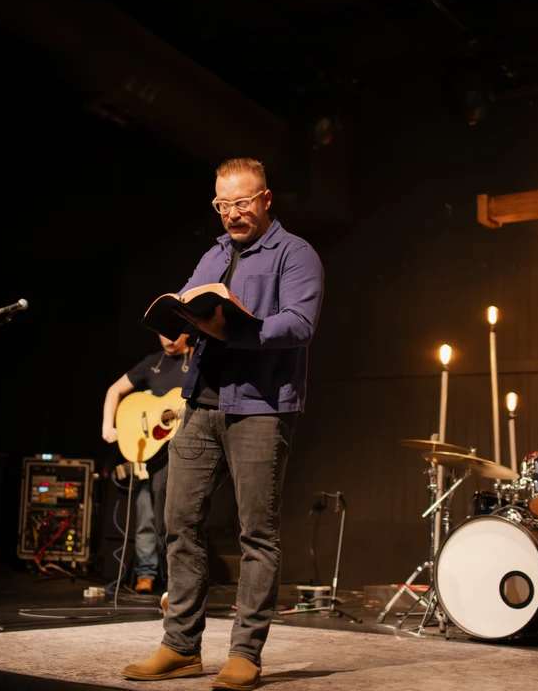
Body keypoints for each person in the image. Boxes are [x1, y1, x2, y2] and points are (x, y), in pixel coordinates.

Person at [122, 157, 324, 690]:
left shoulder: (295, 253)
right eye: (222, 204)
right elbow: (189, 302)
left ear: (265, 199)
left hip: (260, 407)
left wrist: (236, 329)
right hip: (201, 404)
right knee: (178, 523)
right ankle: (180, 646)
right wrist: (179, 321)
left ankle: (245, 654)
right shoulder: (213, 253)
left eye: (242, 202)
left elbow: (300, 323)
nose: (232, 213)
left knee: (257, 533)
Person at [102, 333, 191, 593]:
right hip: (151, 451)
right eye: (164, 333)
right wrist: (108, 426)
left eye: (175, 333)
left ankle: (175, 576)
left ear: (187, 332)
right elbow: (114, 390)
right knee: (145, 513)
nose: (169, 339)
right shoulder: (154, 362)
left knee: (175, 516)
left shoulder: (197, 359)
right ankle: (146, 573)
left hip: (182, 451)